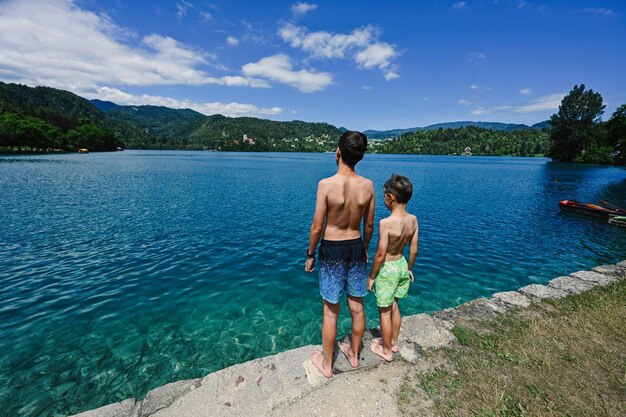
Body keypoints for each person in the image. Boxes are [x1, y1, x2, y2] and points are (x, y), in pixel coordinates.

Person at [305, 131, 375, 378]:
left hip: (332, 249)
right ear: (361, 157)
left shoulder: (326, 185)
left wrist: (310, 254)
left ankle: (326, 365)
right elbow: (369, 225)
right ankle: (354, 355)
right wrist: (365, 247)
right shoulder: (367, 186)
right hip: (356, 246)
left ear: (338, 153)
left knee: (330, 311)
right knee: (357, 306)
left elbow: (317, 226)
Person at [367, 174, 418, 361]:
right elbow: (414, 249)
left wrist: (372, 276)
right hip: (402, 265)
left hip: (388, 269)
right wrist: (409, 268)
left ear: (391, 198)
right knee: (395, 305)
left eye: (384, 197)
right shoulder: (413, 220)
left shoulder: (386, 223)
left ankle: (386, 351)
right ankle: (393, 342)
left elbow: (380, 254)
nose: (384, 200)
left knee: (385, 311)